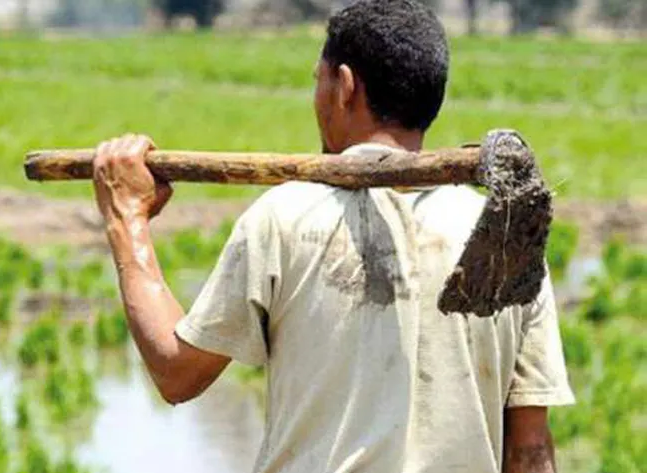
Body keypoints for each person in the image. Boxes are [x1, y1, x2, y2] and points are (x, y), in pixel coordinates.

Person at [90, 1, 575, 472]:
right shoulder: (506, 233)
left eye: (318, 81)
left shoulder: (284, 218)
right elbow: (530, 449)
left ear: (344, 87)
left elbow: (178, 372)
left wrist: (126, 220)